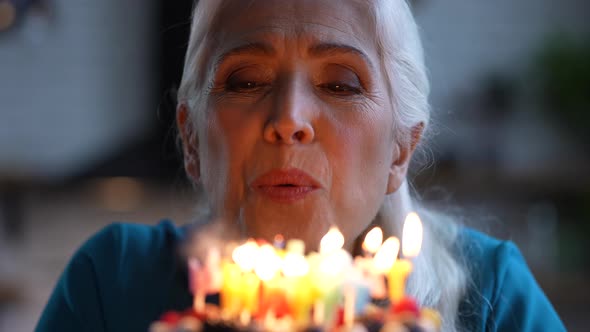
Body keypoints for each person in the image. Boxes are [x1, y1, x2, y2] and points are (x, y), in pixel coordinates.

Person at [36, 1, 566, 331]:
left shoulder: (489, 296)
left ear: (400, 149)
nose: (288, 119)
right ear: (191, 138)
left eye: (340, 84)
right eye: (245, 81)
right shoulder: (114, 285)